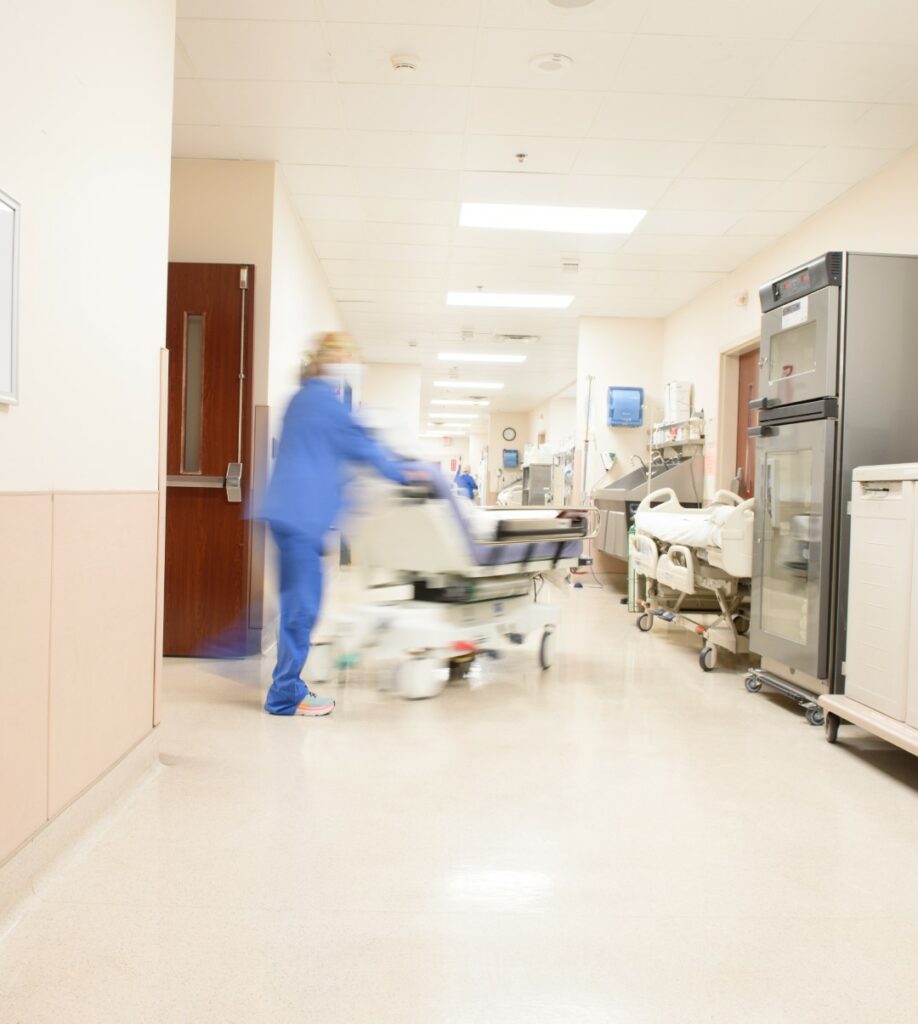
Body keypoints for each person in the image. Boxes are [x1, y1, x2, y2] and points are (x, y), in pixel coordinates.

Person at [259, 332, 412, 717]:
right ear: (329, 360)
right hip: (301, 516)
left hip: (288, 513)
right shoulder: (326, 402)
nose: (353, 362)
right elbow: (364, 447)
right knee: (303, 607)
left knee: (296, 604)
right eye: (348, 355)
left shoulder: (301, 398)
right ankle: (284, 696)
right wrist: (409, 474)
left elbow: (328, 450)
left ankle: (287, 686)